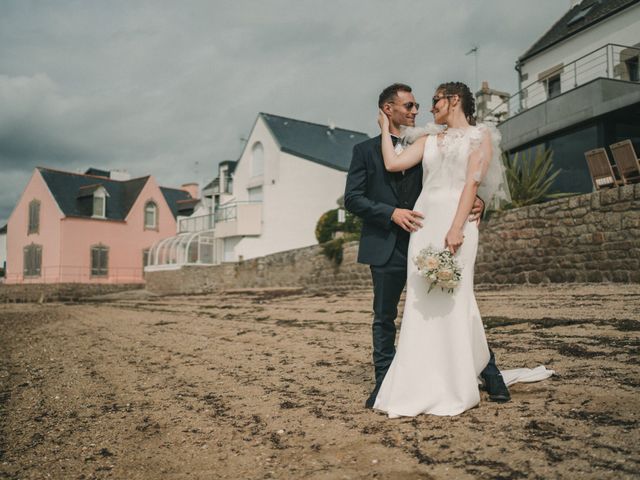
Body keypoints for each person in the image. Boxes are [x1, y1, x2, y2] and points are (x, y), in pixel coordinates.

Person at [372, 81, 552, 417]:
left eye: (435, 100)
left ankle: (464, 375)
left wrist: (457, 227)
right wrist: (385, 129)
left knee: (458, 297)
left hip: (458, 221)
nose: (430, 108)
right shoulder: (427, 139)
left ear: (454, 100)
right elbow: (393, 164)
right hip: (425, 225)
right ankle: (422, 377)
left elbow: (472, 180)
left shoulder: (480, 135)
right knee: (421, 300)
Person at [344, 83, 507, 411]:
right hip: (392, 242)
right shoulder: (367, 150)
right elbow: (354, 198)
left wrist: (477, 203)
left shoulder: (428, 139)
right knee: (387, 316)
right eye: (409, 106)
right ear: (388, 109)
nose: (418, 111)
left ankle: (488, 372)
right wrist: (390, 213)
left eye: (423, 104)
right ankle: (385, 382)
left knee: (457, 302)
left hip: (435, 230)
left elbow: (461, 177)